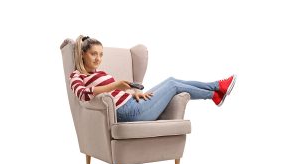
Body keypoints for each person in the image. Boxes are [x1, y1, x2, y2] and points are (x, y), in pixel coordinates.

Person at [70, 35, 237, 122]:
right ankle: (215, 90)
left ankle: (216, 91)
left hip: (133, 103)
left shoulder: (100, 73)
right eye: (93, 54)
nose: (98, 59)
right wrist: (114, 85)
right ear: (83, 54)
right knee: (172, 85)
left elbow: (115, 95)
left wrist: (132, 94)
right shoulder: (77, 75)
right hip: (128, 113)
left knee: (171, 79)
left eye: (101, 54)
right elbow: (83, 94)